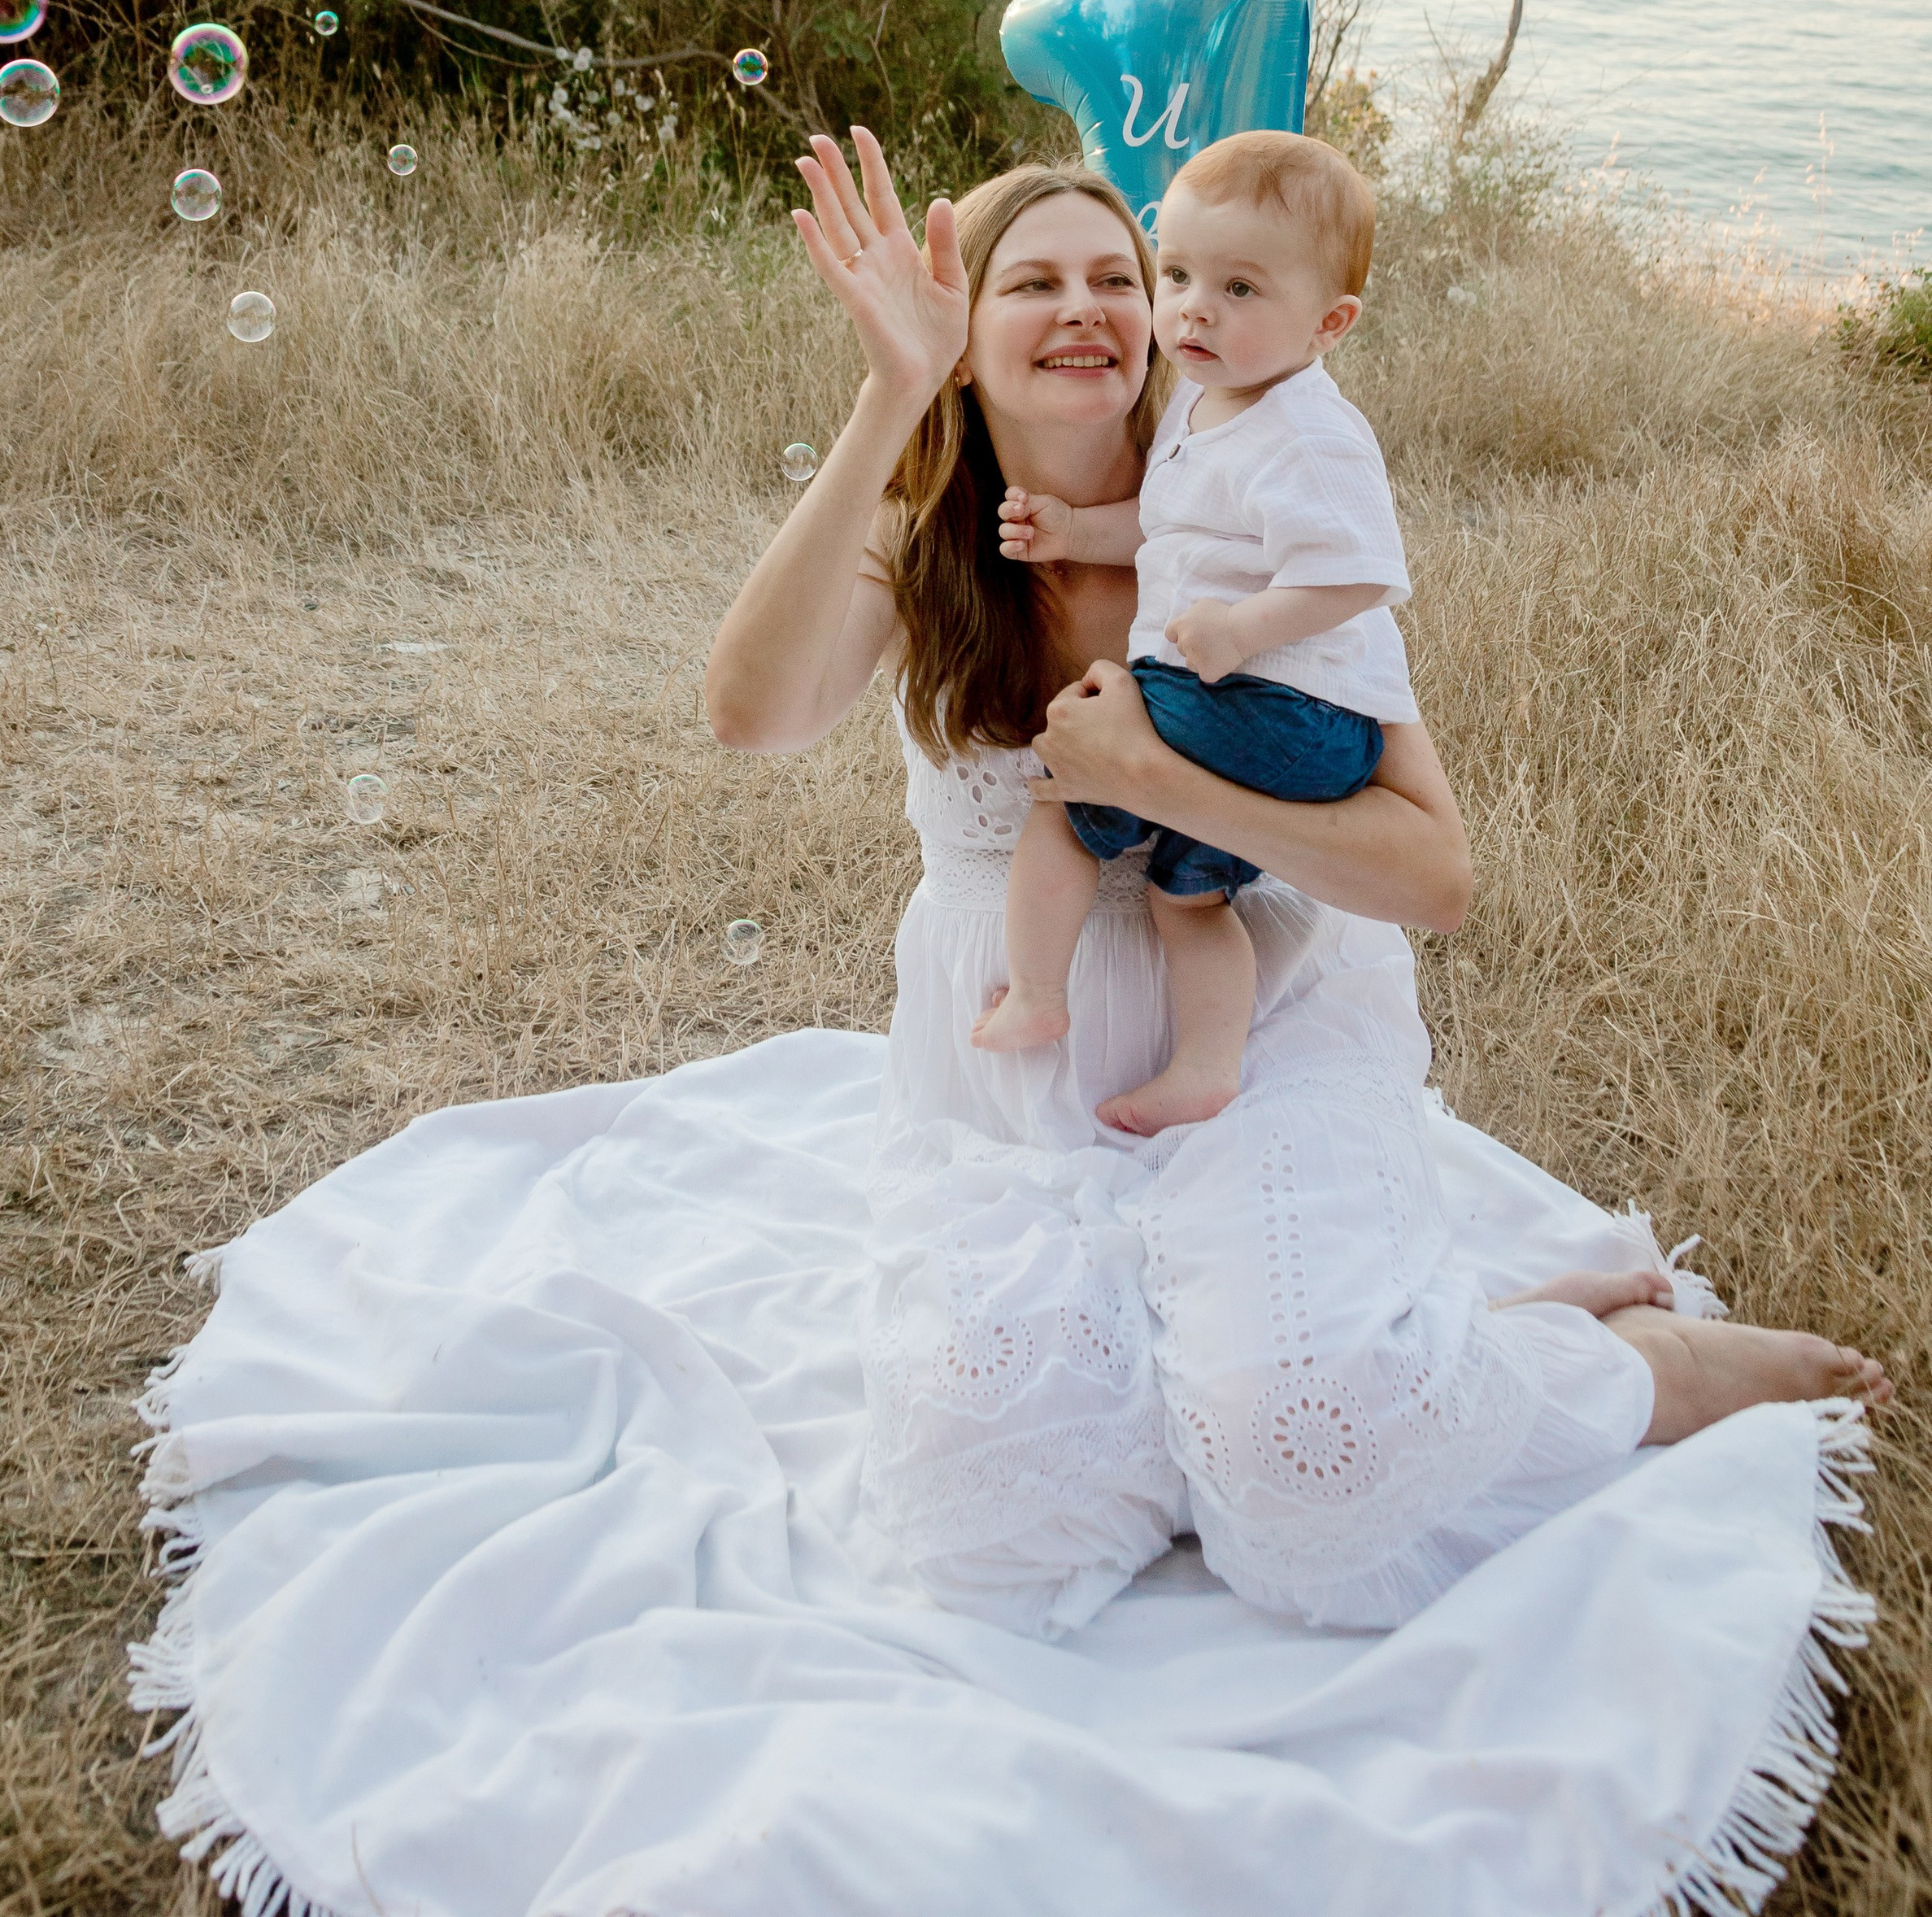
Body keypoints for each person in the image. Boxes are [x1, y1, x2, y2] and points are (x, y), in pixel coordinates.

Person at [705, 128, 1890, 1636]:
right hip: (1023, 1050)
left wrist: (1164, 786)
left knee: (1310, 1465)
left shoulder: (1247, 532)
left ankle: (1623, 1369)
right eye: (1032, 283)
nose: (1087, 308)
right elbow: (751, 716)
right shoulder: (922, 539)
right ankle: (1372, 1357)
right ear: (963, 331)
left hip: (1262, 1020)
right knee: (991, 1531)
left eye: (1115, 276)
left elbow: (1434, 875)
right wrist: (892, 392)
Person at [977, 131, 1412, 1139]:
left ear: (1330, 323)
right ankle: (1206, 1068)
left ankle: (1035, 993)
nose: (1193, 309)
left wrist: (1242, 628)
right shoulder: (1204, 403)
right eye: (1174, 275)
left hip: (1282, 707)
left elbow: (1361, 569)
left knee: (1069, 775)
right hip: (1260, 712)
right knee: (1187, 898)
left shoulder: (1308, 431)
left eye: (1240, 289)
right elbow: (1169, 525)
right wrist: (1074, 532)